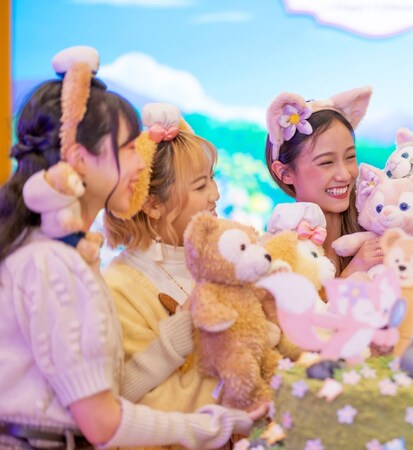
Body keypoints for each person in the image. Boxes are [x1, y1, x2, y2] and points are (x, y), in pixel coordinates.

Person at [0, 47, 260, 449]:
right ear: (80, 158)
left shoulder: (62, 255)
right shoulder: (52, 262)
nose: (140, 163)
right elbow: (102, 422)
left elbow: (111, 390)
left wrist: (182, 329)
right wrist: (215, 426)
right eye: (127, 148)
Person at [102, 103, 222, 419]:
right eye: (201, 185)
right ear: (153, 204)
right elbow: (138, 401)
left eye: (213, 178)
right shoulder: (118, 288)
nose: (215, 195)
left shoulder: (224, 261)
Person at [265, 87, 382, 278]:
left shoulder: (377, 223)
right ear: (285, 173)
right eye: (326, 162)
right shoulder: (279, 253)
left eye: (350, 157)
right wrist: (355, 269)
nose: (344, 175)